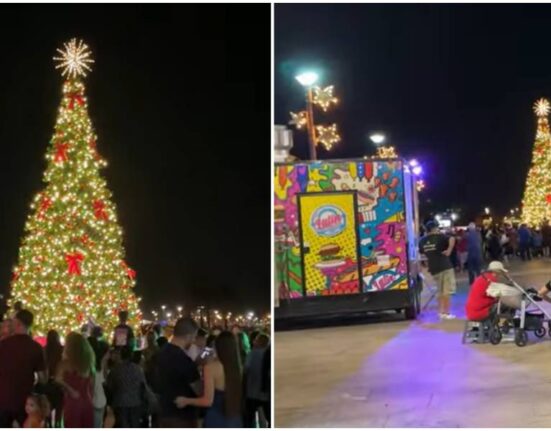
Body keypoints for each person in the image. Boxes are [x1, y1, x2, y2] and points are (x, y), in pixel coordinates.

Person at [175, 331, 243, 427]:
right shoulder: (238, 368)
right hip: (234, 419)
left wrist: (185, 400)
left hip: (215, 418)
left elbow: (207, 400)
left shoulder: (211, 367)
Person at [0, 309, 47, 427]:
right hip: (25, 403)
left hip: (3, 399)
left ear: (18, 323)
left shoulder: (4, 344)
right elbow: (43, 378)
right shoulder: (36, 348)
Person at [157, 317, 201, 427]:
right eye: (194, 337)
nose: (194, 340)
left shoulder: (159, 354)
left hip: (162, 414)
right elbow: (199, 390)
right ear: (188, 336)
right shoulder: (184, 360)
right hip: (182, 417)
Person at [55, 332, 95, 428]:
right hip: (87, 402)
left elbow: (58, 380)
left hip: (72, 403)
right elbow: (92, 386)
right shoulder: (88, 364)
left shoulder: (65, 364)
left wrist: (70, 389)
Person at [419, 220, 457, 319]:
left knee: (440, 291)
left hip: (434, 268)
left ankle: (440, 312)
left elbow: (422, 253)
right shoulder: (440, 237)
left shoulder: (422, 240)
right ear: (435, 228)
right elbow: (452, 238)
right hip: (445, 266)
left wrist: (428, 261)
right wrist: (449, 250)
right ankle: (446, 313)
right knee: (446, 291)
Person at [107, 345, 146, 427]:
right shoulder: (137, 369)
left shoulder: (116, 369)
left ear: (121, 355)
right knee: (134, 425)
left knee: (123, 425)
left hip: (120, 402)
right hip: (135, 401)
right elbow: (143, 385)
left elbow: (110, 385)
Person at [244, 333, 270, 427]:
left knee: (249, 418)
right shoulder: (267, 354)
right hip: (265, 393)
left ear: (258, 342)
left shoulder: (252, 354)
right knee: (269, 417)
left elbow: (246, 369)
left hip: (252, 392)